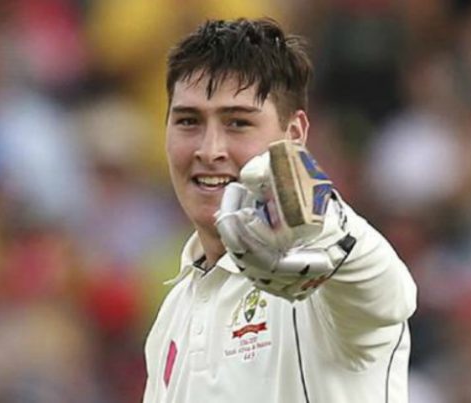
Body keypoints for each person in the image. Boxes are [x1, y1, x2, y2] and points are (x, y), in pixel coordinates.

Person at [143, 18, 417, 403]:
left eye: (238, 123)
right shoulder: (172, 313)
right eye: (189, 121)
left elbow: (391, 294)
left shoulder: (322, 277)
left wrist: (321, 224)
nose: (209, 150)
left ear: (294, 135)